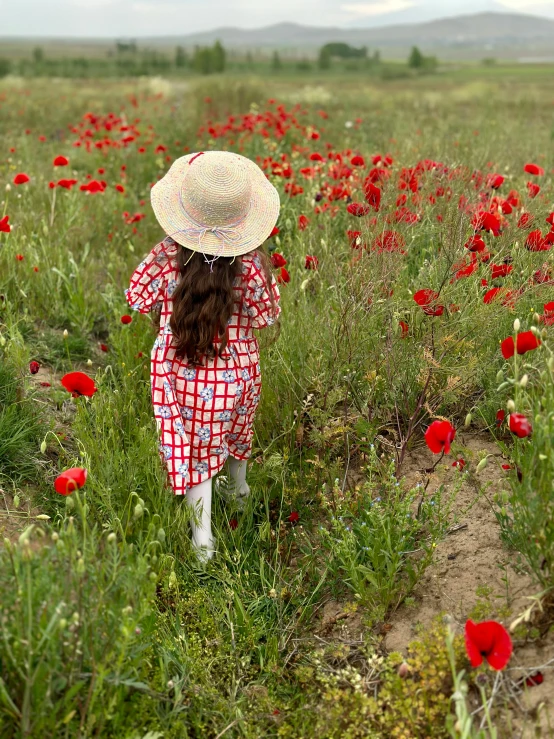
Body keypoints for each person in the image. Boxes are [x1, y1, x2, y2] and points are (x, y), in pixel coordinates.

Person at [125, 150, 281, 561]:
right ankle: (240, 493)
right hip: (238, 372)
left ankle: (203, 541)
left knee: (196, 452)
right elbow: (266, 316)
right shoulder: (251, 266)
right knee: (235, 435)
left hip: (180, 371)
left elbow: (137, 297)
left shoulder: (166, 256)